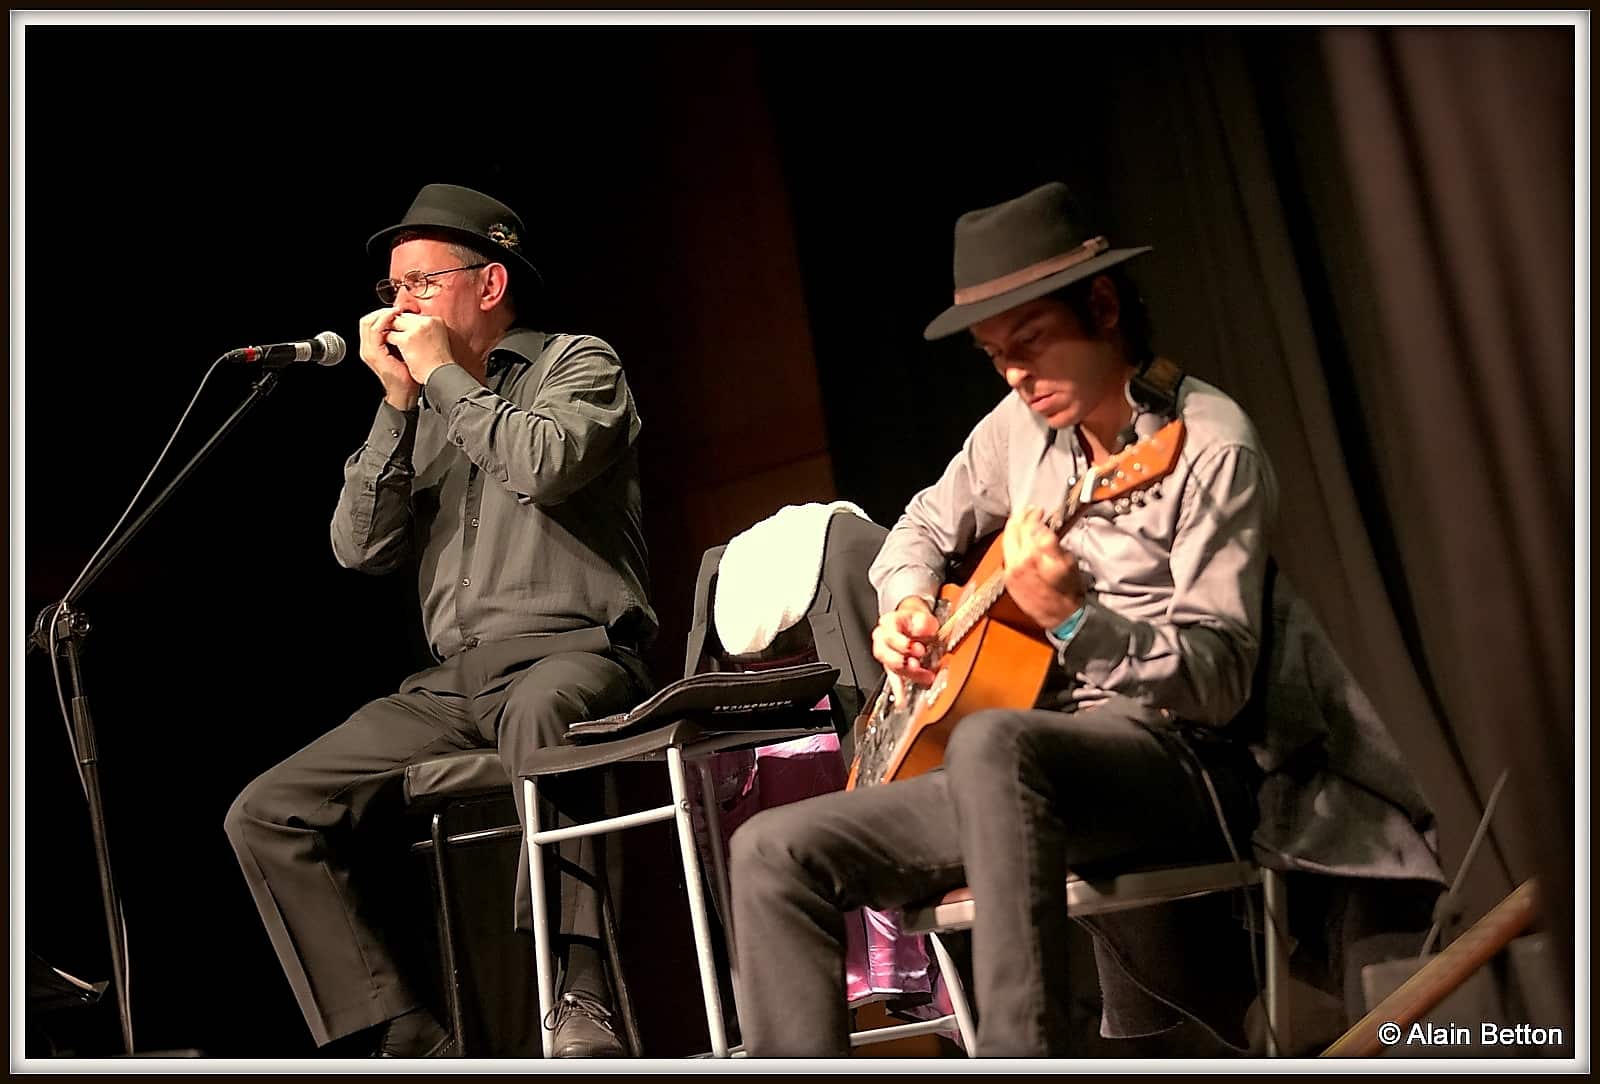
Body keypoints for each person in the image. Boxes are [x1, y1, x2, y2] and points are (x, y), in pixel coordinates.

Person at [727, 181, 1278, 1056]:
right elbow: (915, 526)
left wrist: (1075, 622)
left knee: (993, 742)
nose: (1017, 376)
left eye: (1031, 345)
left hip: (1178, 764)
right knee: (769, 851)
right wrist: (906, 600)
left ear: (1101, 306)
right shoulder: (1017, 429)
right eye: (994, 357)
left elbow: (1221, 680)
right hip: (1020, 774)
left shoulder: (1209, 446)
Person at [225, 183, 655, 1058]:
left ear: (488, 285)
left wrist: (441, 382)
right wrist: (395, 404)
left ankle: (582, 994)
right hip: (452, 685)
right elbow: (358, 547)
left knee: (546, 711)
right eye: (392, 291)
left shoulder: (577, 363)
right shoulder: (418, 404)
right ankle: (408, 1032)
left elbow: (540, 463)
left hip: (571, 656)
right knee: (269, 811)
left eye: (421, 284)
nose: (401, 306)